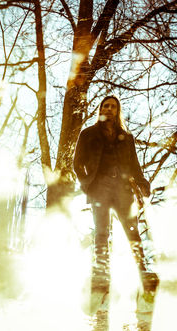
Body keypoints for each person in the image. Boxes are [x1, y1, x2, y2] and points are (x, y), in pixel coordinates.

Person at [73, 95, 153, 292]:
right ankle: (101, 276)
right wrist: (87, 185)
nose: (109, 109)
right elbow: (77, 163)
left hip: (123, 189)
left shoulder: (126, 138)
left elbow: (135, 166)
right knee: (101, 232)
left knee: (132, 232)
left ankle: (142, 273)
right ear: (100, 109)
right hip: (99, 187)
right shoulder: (88, 134)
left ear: (118, 112)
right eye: (106, 106)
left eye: (113, 107)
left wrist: (143, 183)